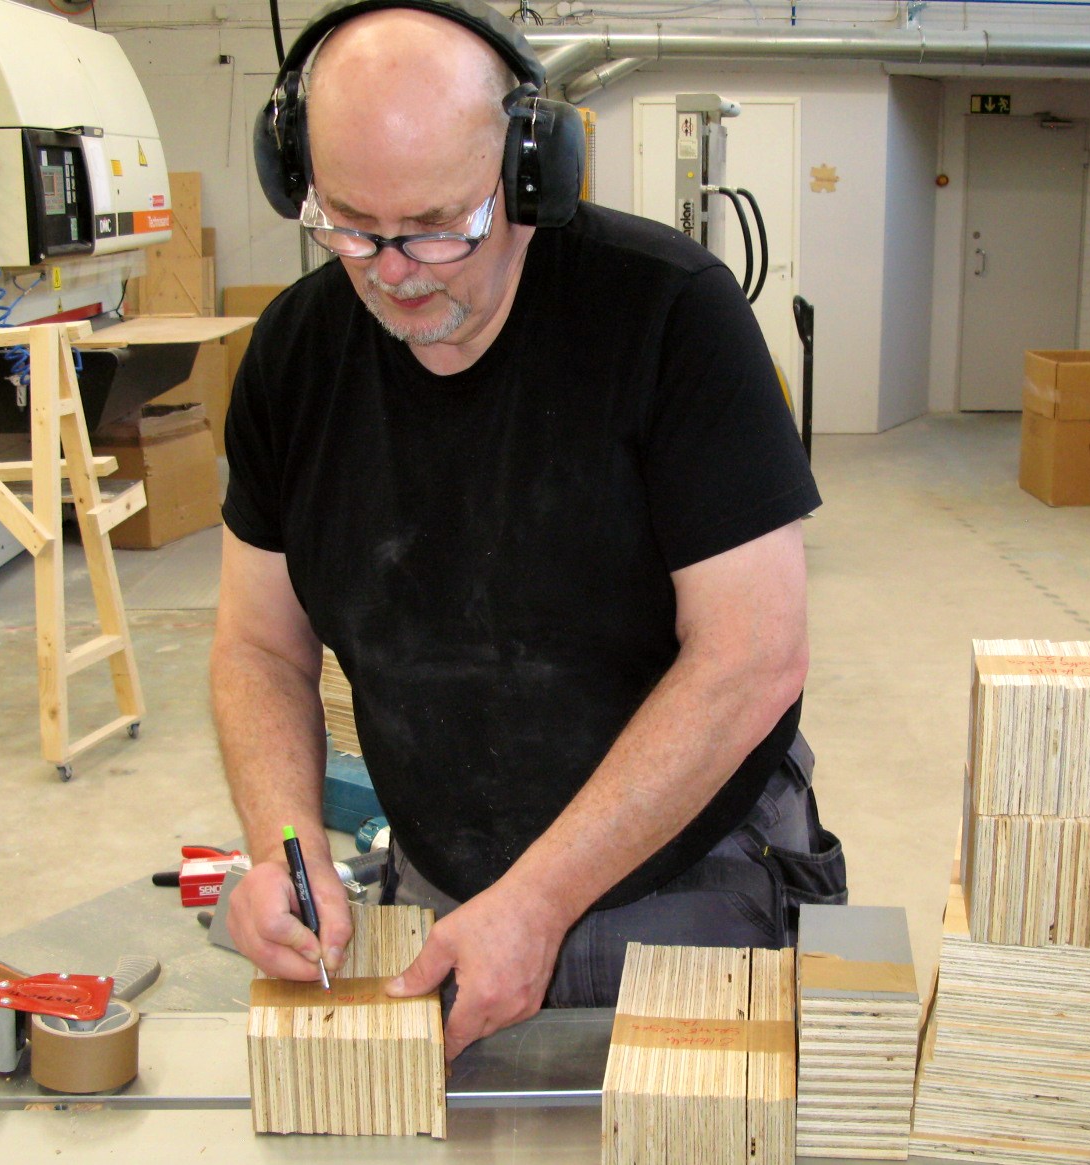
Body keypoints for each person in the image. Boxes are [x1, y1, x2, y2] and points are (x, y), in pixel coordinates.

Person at [213, 0, 844, 1061]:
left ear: (528, 170)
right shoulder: (294, 354)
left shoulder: (668, 317)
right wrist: (285, 845)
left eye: (434, 225)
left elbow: (753, 656)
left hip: (677, 868)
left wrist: (539, 900)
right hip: (438, 868)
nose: (391, 269)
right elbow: (258, 643)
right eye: (350, 225)